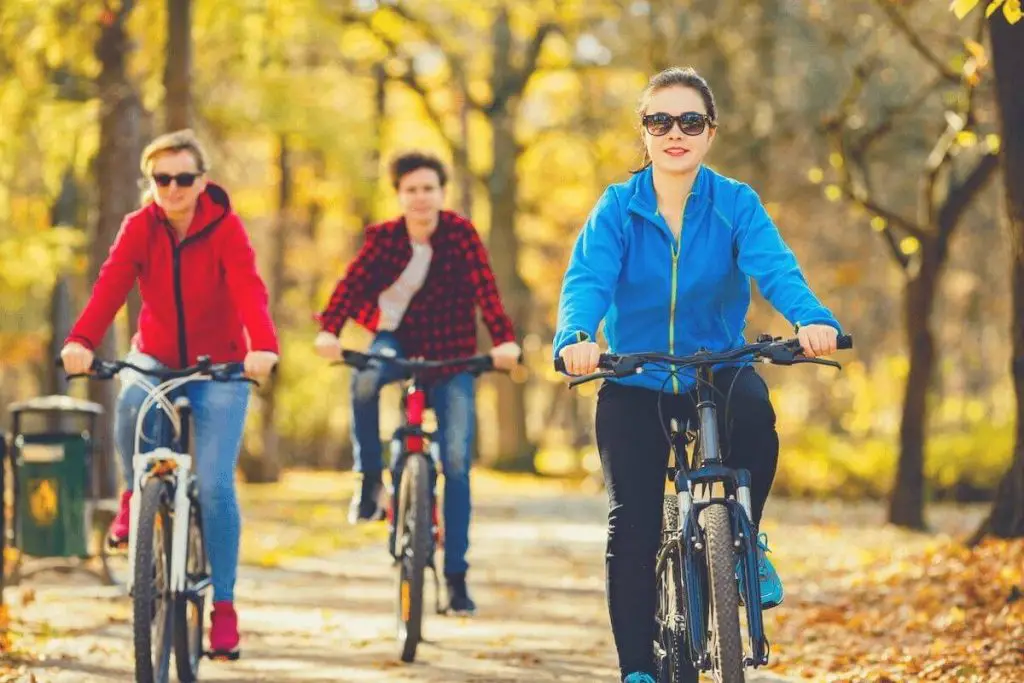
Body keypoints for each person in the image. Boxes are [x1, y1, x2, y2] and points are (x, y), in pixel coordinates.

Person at [552, 67, 842, 683]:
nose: (674, 133)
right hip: (636, 375)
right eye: (660, 122)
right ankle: (637, 668)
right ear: (645, 133)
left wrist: (812, 319)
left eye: (689, 121)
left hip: (717, 366)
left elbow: (776, 268)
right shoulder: (617, 209)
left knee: (757, 420)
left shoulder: (735, 202)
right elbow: (587, 281)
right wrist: (577, 338)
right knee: (631, 523)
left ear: (710, 133)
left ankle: (745, 541)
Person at [60, 129, 279, 658]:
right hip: (155, 355)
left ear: (202, 181)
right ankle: (136, 498)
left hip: (220, 364)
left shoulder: (226, 228)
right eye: (163, 179)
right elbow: (111, 284)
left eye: (184, 178)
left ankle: (223, 607)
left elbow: (250, 287)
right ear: (151, 182)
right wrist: (81, 340)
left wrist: (262, 347)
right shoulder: (140, 227)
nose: (174, 188)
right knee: (131, 398)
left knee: (216, 484)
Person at [314, 151, 521, 615]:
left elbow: (487, 291)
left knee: (456, 465)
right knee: (365, 378)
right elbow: (350, 285)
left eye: (429, 188)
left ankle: (456, 578)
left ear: (441, 193)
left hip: (452, 354)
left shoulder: (461, 235)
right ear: (399, 196)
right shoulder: (385, 239)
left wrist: (504, 342)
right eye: (411, 190)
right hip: (397, 343)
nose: (421, 197)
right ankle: (370, 481)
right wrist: (329, 328)